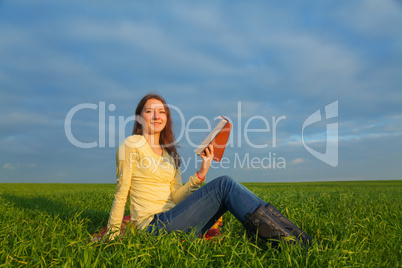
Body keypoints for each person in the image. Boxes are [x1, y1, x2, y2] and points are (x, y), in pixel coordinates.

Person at [105, 93, 312, 246]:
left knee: (225, 185)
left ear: (167, 118)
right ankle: (289, 244)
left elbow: (177, 199)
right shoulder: (132, 144)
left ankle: (297, 239)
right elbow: (121, 192)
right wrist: (111, 238)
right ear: (139, 118)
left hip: (175, 218)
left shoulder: (169, 155)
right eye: (149, 111)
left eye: (161, 111)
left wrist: (202, 172)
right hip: (154, 227)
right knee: (224, 184)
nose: (156, 115)